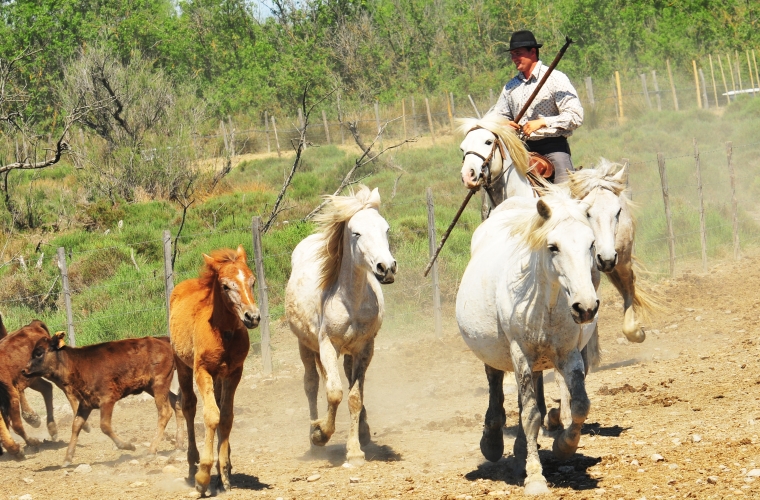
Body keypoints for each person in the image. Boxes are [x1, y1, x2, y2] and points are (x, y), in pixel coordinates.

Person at [492, 30, 583, 184]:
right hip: (521, 150)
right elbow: (498, 117)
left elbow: (575, 116)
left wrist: (542, 122)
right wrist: (504, 124)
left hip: (553, 148)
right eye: (512, 54)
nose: (514, 58)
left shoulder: (555, 79)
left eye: (518, 53)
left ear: (532, 51)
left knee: (566, 195)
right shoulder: (510, 87)